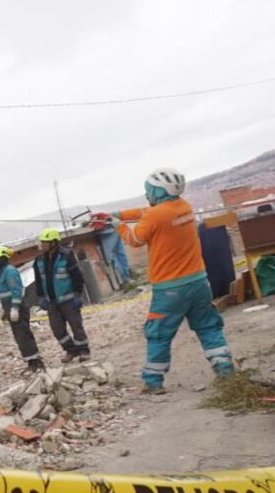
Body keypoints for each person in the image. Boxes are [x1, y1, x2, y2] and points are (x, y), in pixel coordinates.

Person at [97, 167, 233, 394]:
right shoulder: (184, 207)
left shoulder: (155, 215)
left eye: (149, 191)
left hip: (170, 289)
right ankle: (225, 371)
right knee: (209, 326)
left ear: (158, 191)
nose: (147, 195)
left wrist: (116, 224)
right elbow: (147, 212)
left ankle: (153, 381)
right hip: (199, 282)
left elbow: (134, 239)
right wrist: (118, 214)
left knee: (158, 332)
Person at [33, 228, 91, 363]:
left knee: (76, 326)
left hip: (68, 300)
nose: (42, 245)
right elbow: (38, 280)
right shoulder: (39, 260)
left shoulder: (66, 255)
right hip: (51, 302)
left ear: (53, 242)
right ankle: (71, 350)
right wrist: (41, 296)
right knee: (57, 330)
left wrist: (77, 294)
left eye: (45, 242)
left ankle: (83, 350)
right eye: (42, 242)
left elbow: (77, 276)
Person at [0, 245, 44, 372]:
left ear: (3, 259)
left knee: (23, 335)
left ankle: (35, 362)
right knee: (19, 337)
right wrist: (6, 311)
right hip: (11, 309)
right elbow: (5, 294)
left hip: (18, 309)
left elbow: (17, 291)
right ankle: (31, 361)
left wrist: (14, 308)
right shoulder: (1, 273)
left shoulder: (10, 271)